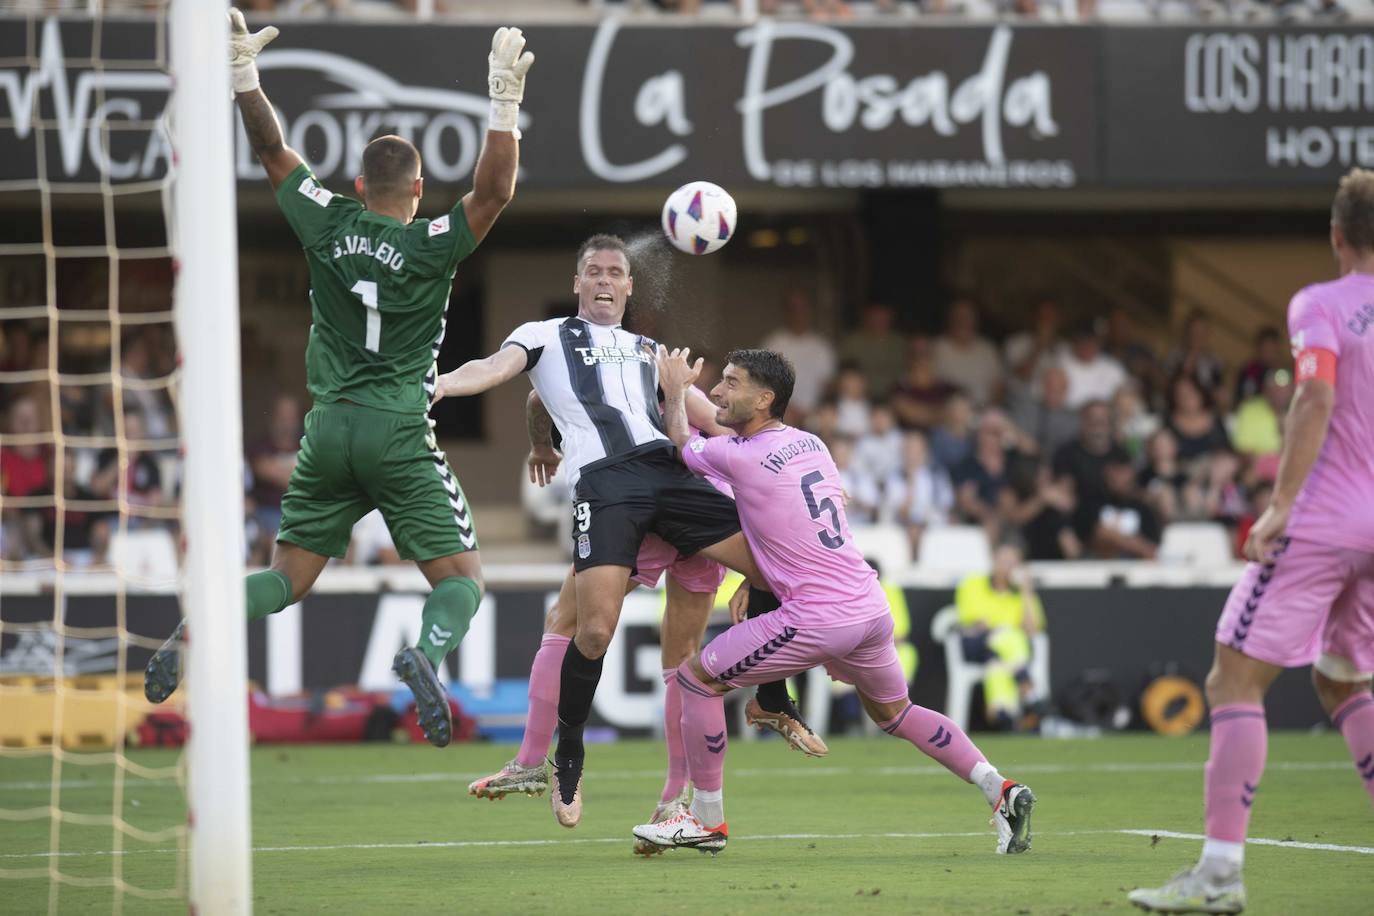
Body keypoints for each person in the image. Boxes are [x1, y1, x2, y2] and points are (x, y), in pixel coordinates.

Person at [141, 13, 533, 754]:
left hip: (328, 429)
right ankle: (427, 654)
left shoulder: (325, 221)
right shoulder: (431, 245)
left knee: (287, 577)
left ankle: (203, 623)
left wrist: (244, 79)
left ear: (359, 185)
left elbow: (271, 149)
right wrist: (503, 105)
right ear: (418, 188)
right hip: (397, 429)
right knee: (463, 579)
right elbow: (494, 193)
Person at [632, 347, 1035, 856]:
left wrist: (671, 389)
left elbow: (682, 441)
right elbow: (771, 506)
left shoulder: (741, 455)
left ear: (764, 398)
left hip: (817, 615)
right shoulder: (811, 444)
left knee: (696, 680)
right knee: (896, 713)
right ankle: (1000, 789)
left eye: (731, 383)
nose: (717, 391)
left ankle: (706, 820)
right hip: (868, 605)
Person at [432, 234, 772, 829]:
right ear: (578, 283)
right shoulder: (544, 335)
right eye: (594, 271)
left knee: (704, 633)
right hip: (609, 487)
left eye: (616, 271)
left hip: (675, 479)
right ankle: (545, 760)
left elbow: (711, 421)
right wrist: (440, 385)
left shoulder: (648, 349)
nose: (606, 280)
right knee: (588, 627)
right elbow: (502, 372)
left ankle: (678, 793)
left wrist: (788, 456)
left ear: (630, 285)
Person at [1131, 169, 1374, 913]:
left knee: (1232, 682)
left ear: (1335, 235)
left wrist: (1279, 506)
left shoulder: (1320, 305)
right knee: (1343, 682)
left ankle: (1219, 875)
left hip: (1325, 520)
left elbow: (1315, 394)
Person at [466, 390, 824, 855]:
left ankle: (537, 763)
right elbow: (733, 447)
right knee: (681, 663)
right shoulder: (649, 378)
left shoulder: (636, 377)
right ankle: (672, 799)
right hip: (695, 511)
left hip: (649, 511)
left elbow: (537, 397)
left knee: (572, 624)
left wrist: (541, 445)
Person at [954, 540, 1046, 730]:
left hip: (1000, 653)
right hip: (976, 644)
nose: (1007, 567)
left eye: (1013, 562)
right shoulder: (973, 584)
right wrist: (1000, 629)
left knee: (996, 662)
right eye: (1004, 561)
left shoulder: (1022, 593)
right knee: (1006, 636)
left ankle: (1003, 715)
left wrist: (1026, 592)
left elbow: (1032, 630)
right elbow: (975, 624)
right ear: (993, 560)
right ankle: (1028, 690)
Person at [760, 288, 835, 421]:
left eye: (802, 308)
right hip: (782, 411)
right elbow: (765, 383)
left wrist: (813, 410)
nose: (798, 313)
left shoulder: (821, 347)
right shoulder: (773, 343)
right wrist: (788, 407)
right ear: (785, 311)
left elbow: (828, 387)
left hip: (815, 412)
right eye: (793, 309)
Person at [1075, 454, 1161, 560]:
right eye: (1117, 471)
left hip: (1136, 569)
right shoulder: (1091, 503)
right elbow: (1095, 535)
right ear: (1107, 473)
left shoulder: (1141, 507)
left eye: (1125, 472)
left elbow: (1151, 548)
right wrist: (1134, 544)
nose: (1121, 478)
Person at [932, 297, 1002, 407]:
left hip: (983, 412)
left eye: (968, 316)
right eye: (958, 316)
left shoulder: (987, 349)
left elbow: (998, 388)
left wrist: (988, 410)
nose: (962, 320)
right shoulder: (937, 348)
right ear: (950, 319)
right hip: (947, 411)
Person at [838, 302, 906, 400]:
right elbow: (844, 372)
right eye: (875, 315)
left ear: (891, 316)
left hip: (894, 397)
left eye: (883, 315)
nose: (879, 319)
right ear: (866, 316)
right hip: (859, 396)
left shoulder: (899, 343)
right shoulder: (852, 342)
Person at [1059, 321, 1127, 410]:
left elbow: (1126, 399)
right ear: (1074, 340)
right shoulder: (1061, 362)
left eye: (1092, 341)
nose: (1087, 346)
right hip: (1064, 417)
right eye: (1083, 340)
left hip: (1102, 420)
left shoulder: (1113, 368)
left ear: (1100, 342)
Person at [1164, 374, 1231, 464]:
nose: (1187, 398)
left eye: (1191, 392)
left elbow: (1226, 452)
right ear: (1174, 398)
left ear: (1200, 392)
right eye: (1181, 394)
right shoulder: (1168, 424)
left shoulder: (1215, 419)